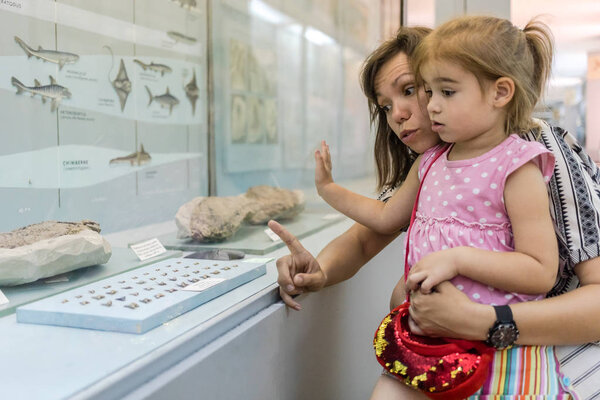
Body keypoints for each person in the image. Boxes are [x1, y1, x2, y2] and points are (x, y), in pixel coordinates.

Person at [268, 23, 600, 399]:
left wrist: (484, 322)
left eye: (414, 90)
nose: (401, 114)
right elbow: (367, 235)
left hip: (551, 348)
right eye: (387, 106)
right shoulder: (434, 162)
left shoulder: (536, 153)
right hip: (443, 351)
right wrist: (317, 270)